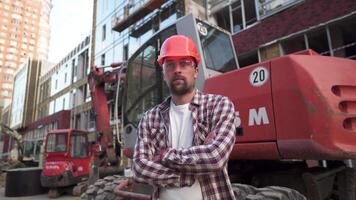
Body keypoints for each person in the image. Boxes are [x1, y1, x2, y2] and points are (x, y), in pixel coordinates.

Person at [132, 35, 236, 200]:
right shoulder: (150, 118)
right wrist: (185, 175)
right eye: (170, 64)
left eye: (184, 63)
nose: (177, 69)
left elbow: (216, 157)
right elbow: (139, 167)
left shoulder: (218, 105)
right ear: (164, 73)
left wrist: (165, 156)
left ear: (195, 71)